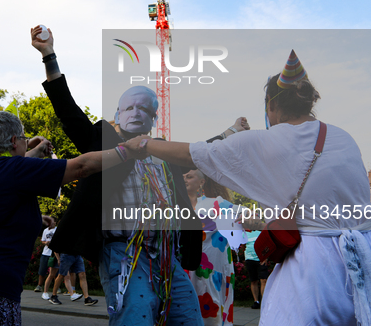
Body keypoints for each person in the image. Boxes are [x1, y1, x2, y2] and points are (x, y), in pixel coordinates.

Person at [122, 50, 371, 325]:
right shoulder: (342, 136)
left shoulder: (268, 141)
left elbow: (195, 154)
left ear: (271, 105)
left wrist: (143, 144)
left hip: (318, 270)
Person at [31, 25, 248, 325]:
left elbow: (200, 151)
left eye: (144, 108)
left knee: (189, 320)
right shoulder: (103, 141)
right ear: (118, 114)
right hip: (123, 253)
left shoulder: (162, 152)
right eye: (129, 107)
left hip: (166, 255)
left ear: (153, 118)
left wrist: (231, 131)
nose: (136, 112)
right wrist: (48, 55)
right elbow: (68, 111)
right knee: (136, 318)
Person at [0, 110, 141, 326]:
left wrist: (36, 216)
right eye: (23, 138)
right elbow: (81, 167)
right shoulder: (12, 169)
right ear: (14, 141)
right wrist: (128, 151)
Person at [184, 169, 239, 325]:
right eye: (183, 177)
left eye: (189, 177)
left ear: (202, 182)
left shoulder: (216, 203)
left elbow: (243, 213)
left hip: (212, 271)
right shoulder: (176, 206)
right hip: (185, 271)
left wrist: (252, 219)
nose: (185, 180)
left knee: (212, 317)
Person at [243, 230, 268, 310]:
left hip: (261, 259)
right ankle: (256, 301)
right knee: (253, 281)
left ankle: (264, 301)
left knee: (263, 280)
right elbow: (243, 246)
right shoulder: (245, 234)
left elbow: (266, 245)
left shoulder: (260, 232)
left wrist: (265, 258)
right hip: (250, 260)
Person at [35, 216, 56, 293]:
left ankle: (56, 287)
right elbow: (42, 240)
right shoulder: (45, 230)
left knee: (54, 271)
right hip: (45, 253)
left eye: (52, 221)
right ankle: (39, 285)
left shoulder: (57, 230)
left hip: (54, 254)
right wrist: (45, 243)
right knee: (42, 270)